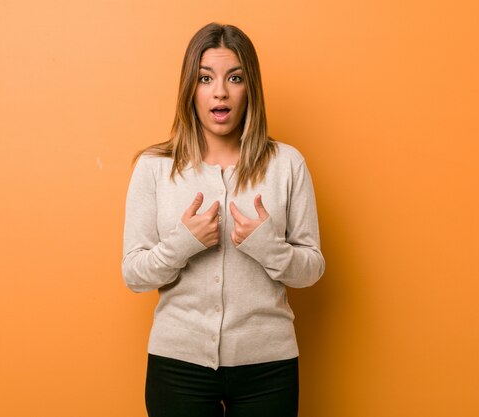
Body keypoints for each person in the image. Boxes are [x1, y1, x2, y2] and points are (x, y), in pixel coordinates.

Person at [121, 22, 325, 417]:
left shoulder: (287, 164)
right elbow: (133, 274)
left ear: (251, 89)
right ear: (190, 89)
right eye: (205, 78)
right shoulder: (154, 169)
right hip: (177, 366)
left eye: (235, 78)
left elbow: (311, 269)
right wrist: (183, 244)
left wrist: (270, 249)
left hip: (268, 367)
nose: (220, 91)